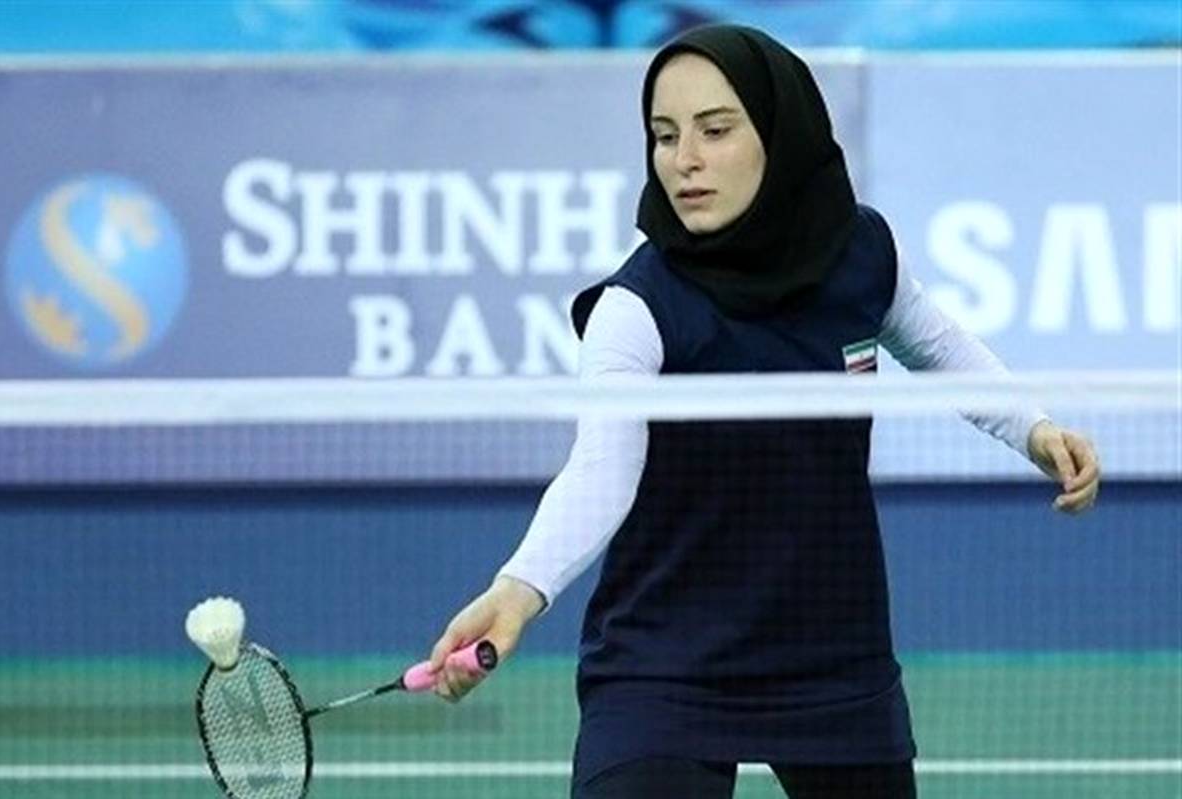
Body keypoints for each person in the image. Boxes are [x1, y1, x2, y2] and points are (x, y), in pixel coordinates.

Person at [424, 24, 1100, 799]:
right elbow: (602, 467)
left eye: (715, 130)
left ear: (778, 134)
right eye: (665, 136)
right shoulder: (637, 306)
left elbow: (940, 346)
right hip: (666, 663)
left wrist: (1034, 428)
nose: (685, 159)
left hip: (831, 654)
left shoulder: (860, 255)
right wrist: (518, 589)